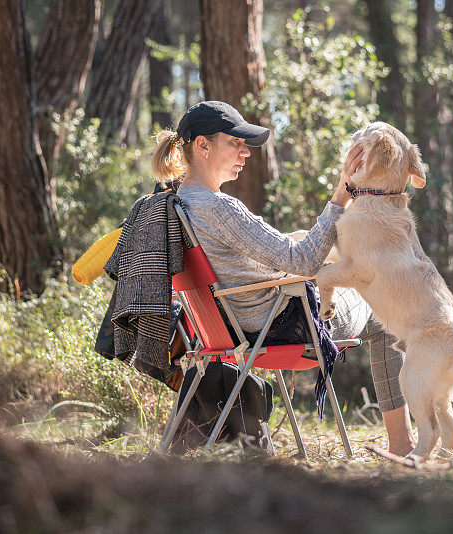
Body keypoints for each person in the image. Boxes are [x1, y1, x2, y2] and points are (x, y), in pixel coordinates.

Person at [151, 100, 414, 456]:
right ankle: (402, 445)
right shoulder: (218, 207)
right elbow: (303, 262)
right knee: (382, 314)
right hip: (283, 326)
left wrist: (298, 239)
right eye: (235, 142)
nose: (245, 152)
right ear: (203, 145)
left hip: (232, 329)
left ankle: (402, 443)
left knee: (308, 243)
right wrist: (342, 194)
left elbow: (257, 256)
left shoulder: (175, 203)